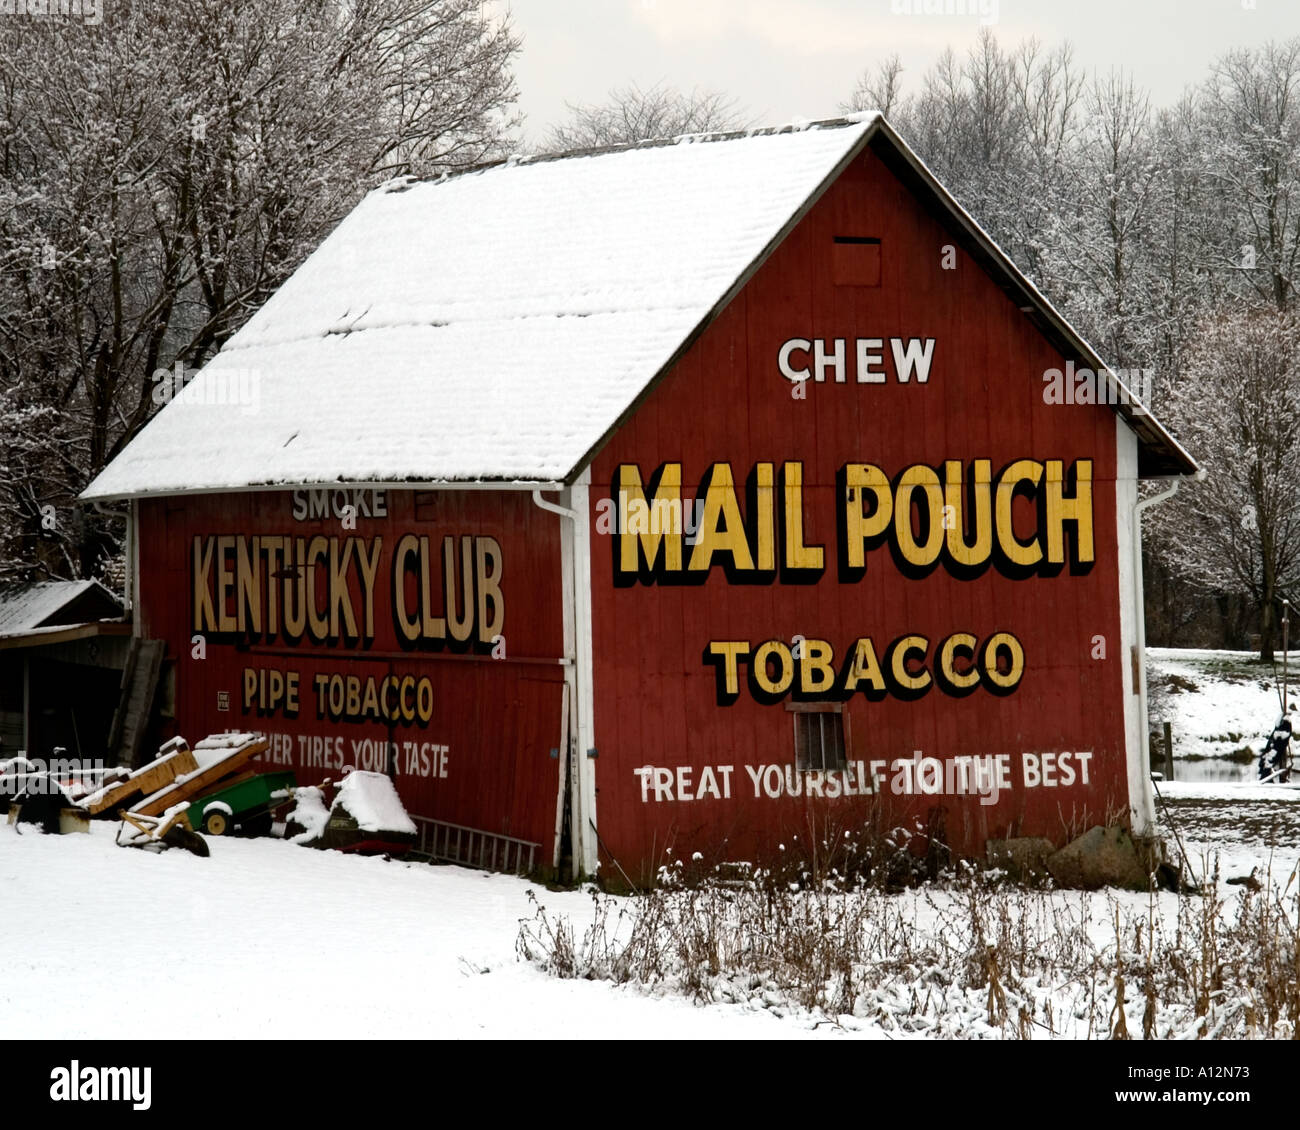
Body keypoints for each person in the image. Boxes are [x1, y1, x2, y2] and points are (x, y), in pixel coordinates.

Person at [1259, 704, 1296, 783]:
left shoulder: (1282, 723)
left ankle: (1267, 778)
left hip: (1275, 747)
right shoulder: (1285, 722)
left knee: (1269, 760)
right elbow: (1283, 736)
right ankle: (1266, 779)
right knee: (1269, 760)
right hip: (1276, 747)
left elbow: (1281, 735)